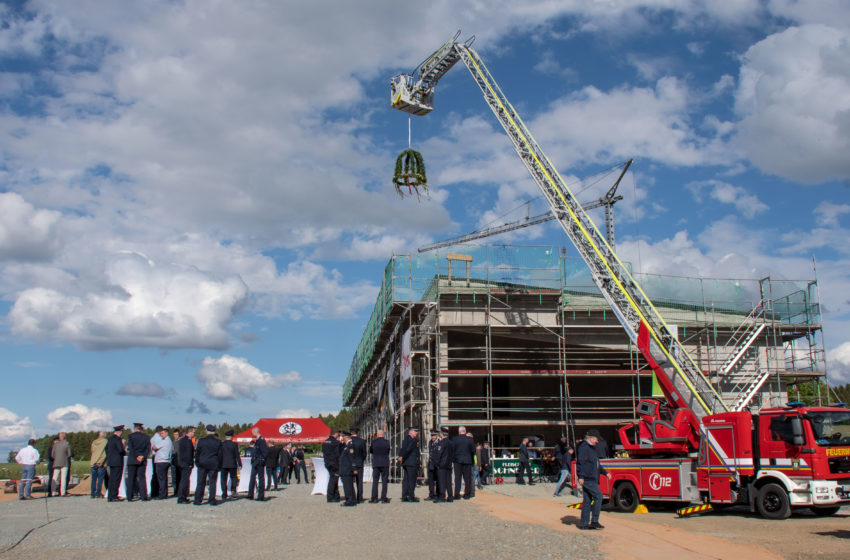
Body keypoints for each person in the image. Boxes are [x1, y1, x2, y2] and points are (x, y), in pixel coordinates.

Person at [577, 428, 608, 530]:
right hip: (588, 478)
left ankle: (584, 523)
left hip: (592, 478)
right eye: (596, 439)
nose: (597, 441)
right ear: (591, 438)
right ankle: (594, 521)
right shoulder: (584, 447)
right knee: (599, 496)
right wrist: (580, 476)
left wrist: (605, 473)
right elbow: (580, 462)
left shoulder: (592, 449)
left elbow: (597, 464)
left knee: (587, 500)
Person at [194, 424, 222, 506]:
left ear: (207, 431)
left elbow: (197, 452)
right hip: (213, 463)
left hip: (202, 463)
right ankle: (212, 499)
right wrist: (219, 465)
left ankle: (198, 500)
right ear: (214, 432)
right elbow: (220, 455)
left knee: (200, 482)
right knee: (212, 482)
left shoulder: (201, 441)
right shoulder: (218, 442)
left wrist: (197, 462)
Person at [125, 422, 151, 501]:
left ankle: (129, 496)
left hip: (132, 459)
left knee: (131, 478)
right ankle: (143, 496)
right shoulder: (146, 437)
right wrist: (142, 456)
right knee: (142, 478)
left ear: (135, 428)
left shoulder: (131, 436)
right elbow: (148, 449)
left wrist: (136, 456)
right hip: (142, 460)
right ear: (141, 428)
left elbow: (130, 448)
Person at [452, 426, 475, 499]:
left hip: (457, 461)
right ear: (465, 431)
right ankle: (467, 494)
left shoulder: (454, 439)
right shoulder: (470, 440)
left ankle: (457, 494)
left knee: (457, 478)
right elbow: (473, 451)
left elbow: (452, 450)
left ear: (459, 432)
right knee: (467, 479)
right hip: (467, 461)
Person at [398, 425, 421, 502]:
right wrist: (402, 456)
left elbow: (402, 449)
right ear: (411, 431)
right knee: (412, 480)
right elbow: (408, 450)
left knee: (406, 480)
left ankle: (405, 496)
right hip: (411, 462)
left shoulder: (405, 439)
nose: (416, 433)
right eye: (415, 431)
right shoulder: (412, 440)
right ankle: (411, 496)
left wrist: (401, 456)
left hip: (406, 462)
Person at [150, 426, 172, 499]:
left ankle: (162, 494)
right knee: (164, 478)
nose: (161, 435)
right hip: (166, 460)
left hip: (161, 461)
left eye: (162, 433)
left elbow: (154, 447)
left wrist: (156, 449)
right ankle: (164, 493)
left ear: (166, 433)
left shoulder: (164, 441)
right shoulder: (169, 441)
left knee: (161, 479)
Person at [105, 425, 126, 502]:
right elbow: (121, 450)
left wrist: (110, 456)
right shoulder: (118, 439)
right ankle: (114, 495)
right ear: (119, 432)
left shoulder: (110, 439)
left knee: (111, 479)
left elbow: (106, 449)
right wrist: (123, 447)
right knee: (116, 479)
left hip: (111, 461)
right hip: (117, 461)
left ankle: (110, 495)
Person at [369, 429, 390, 503]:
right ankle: (383, 497)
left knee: (375, 481)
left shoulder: (373, 442)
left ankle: (374, 497)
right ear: (383, 435)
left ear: (377, 435)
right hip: (384, 463)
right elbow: (388, 451)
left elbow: (371, 451)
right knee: (384, 481)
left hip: (376, 463)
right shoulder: (387, 442)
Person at [219, 430, 241, 500]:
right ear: (232, 437)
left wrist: (219, 463)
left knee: (223, 479)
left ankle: (224, 493)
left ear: (226, 437)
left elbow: (220, 455)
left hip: (223, 464)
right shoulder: (234, 444)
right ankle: (233, 490)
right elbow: (237, 455)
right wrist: (239, 463)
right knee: (233, 478)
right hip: (232, 464)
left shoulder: (222, 444)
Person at [434, 426, 454, 502]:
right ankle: (450, 496)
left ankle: (442, 497)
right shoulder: (451, 443)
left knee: (441, 481)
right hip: (449, 464)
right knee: (448, 481)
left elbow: (439, 453)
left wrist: (437, 464)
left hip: (442, 464)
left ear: (441, 434)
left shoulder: (442, 443)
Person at [247, 427, 268, 501]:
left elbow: (265, 452)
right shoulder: (258, 440)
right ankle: (250, 494)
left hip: (259, 462)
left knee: (261, 478)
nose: (252, 434)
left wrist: (261, 460)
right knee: (252, 478)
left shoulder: (261, 441)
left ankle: (261, 496)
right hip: (255, 462)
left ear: (256, 432)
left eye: (253, 433)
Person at [176, 426, 195, 504]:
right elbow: (188, 454)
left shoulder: (183, 440)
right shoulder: (187, 441)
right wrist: (190, 463)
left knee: (184, 480)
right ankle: (181, 497)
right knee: (184, 481)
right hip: (186, 463)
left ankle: (183, 496)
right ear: (189, 432)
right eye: (194, 432)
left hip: (182, 462)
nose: (194, 434)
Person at [322, 430, 341, 503]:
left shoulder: (325, 442)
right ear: (335, 434)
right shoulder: (335, 443)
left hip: (327, 463)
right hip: (334, 463)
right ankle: (331, 496)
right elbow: (337, 454)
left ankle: (336, 496)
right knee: (333, 480)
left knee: (333, 479)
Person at [338, 431, 357, 506]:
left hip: (347, 469)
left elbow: (352, 458)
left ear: (346, 437)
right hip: (345, 469)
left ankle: (349, 500)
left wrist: (354, 468)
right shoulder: (346, 446)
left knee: (347, 486)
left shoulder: (350, 446)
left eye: (343, 437)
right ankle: (351, 499)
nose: (342, 438)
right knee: (348, 485)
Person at [50, 432, 71, 496]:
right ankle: (63, 492)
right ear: (64, 437)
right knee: (63, 478)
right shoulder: (67, 444)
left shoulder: (55, 445)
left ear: (59, 437)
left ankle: (53, 492)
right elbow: (69, 454)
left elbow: (52, 455)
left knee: (54, 477)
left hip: (56, 462)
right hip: (64, 463)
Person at [350, 428, 367, 502]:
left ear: (351, 433)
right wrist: (361, 460)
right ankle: (360, 497)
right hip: (359, 463)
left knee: (350, 482)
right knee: (359, 482)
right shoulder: (362, 441)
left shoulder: (350, 442)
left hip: (351, 464)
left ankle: (351, 497)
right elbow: (364, 453)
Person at [89, 431, 107, 499]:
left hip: (93, 461)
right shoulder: (105, 441)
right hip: (100, 463)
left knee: (93, 479)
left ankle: (92, 494)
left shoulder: (94, 442)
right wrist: (101, 461)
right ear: (104, 435)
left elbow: (92, 451)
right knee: (100, 479)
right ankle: (98, 493)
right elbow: (105, 452)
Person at [426, 430, 439, 500]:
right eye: (432, 436)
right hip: (431, 463)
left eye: (434, 436)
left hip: (436, 464)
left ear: (436, 435)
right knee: (431, 480)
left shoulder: (439, 442)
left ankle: (437, 494)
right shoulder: (430, 442)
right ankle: (431, 494)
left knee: (437, 480)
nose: (432, 437)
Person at [171, 430, 182, 497]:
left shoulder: (180, 442)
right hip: (173, 461)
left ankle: (179, 491)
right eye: (174, 434)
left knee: (179, 477)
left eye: (176, 434)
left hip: (179, 461)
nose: (175, 436)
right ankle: (175, 491)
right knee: (174, 477)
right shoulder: (172, 442)